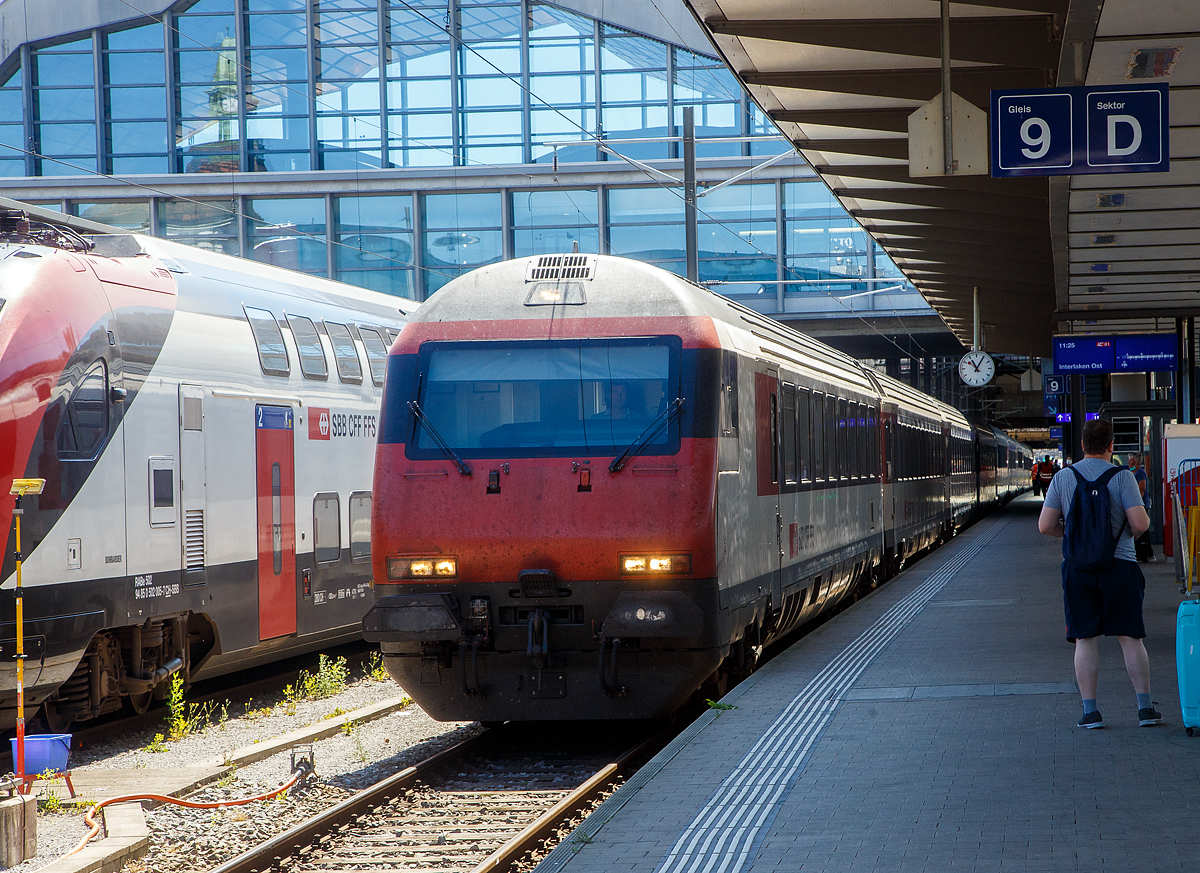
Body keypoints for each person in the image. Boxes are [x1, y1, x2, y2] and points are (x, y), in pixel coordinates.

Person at [1038, 418, 1161, 729]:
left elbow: (1045, 526)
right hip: (1120, 566)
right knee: (1130, 637)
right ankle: (1145, 709)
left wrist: (1074, 536)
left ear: (1082, 444)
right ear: (1111, 445)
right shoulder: (1123, 477)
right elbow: (1139, 524)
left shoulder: (1063, 477)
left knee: (1085, 639)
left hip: (1078, 570)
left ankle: (1091, 712)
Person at [1131, 453, 1156, 562]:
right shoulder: (1133, 473)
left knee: (1143, 530)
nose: (1129, 463)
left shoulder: (1140, 473)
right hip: (1138, 504)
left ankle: (1147, 553)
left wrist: (1137, 503)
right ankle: (1147, 552)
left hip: (1141, 505)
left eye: (1131, 461)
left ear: (1137, 462)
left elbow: (1142, 488)